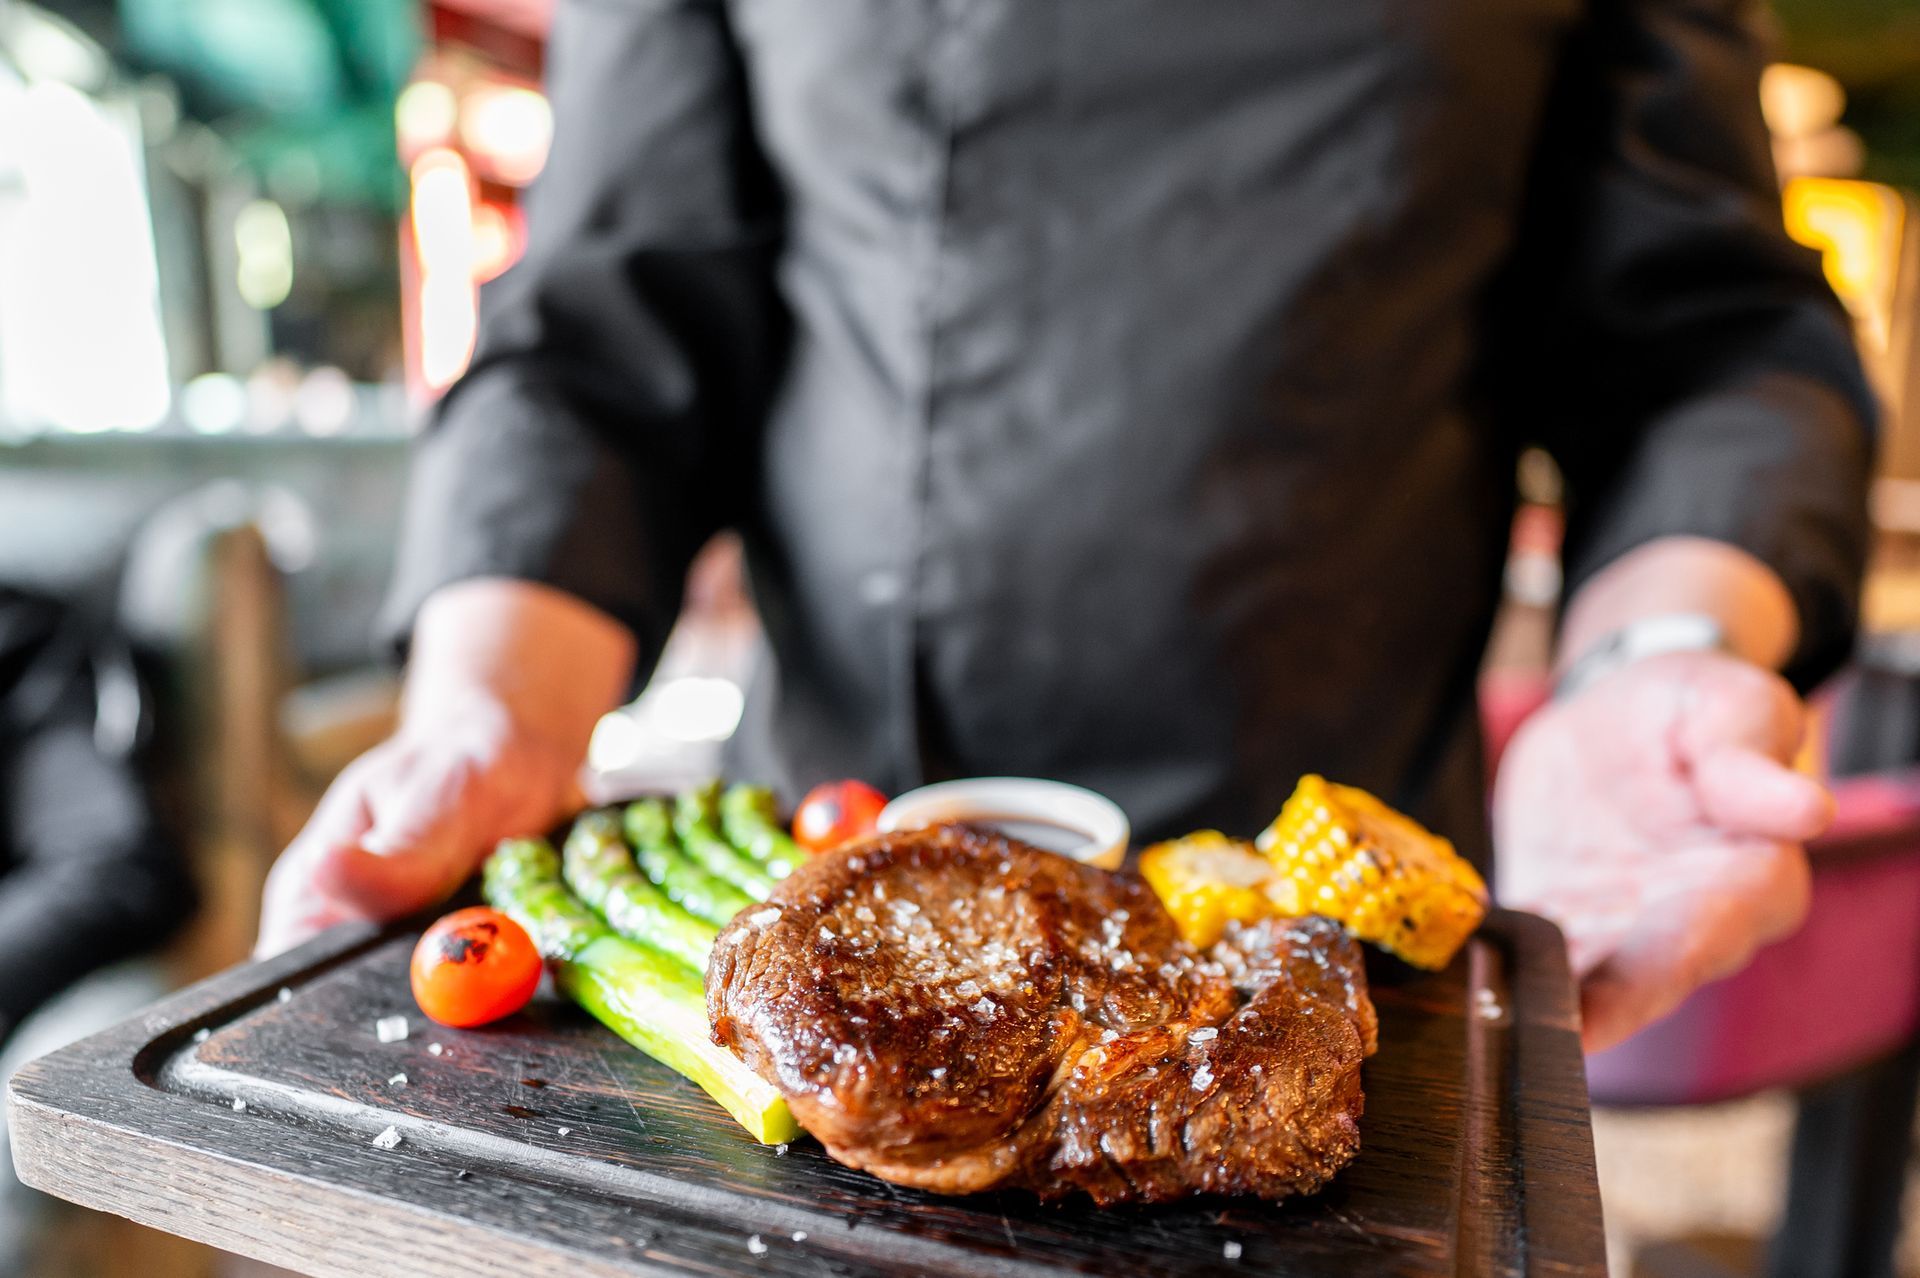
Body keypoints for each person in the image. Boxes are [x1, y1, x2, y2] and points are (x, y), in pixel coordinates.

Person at [259, 1, 1874, 1053]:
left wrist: (1660, 657)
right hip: (835, 882)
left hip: (1345, 948)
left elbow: (1705, 343)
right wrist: (493, 712)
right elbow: (608, 336)